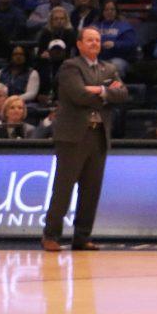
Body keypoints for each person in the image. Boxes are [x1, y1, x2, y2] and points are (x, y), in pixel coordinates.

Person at [42, 27, 129, 251]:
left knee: (91, 190)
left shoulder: (109, 67)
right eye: (90, 40)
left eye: (97, 40)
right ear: (79, 44)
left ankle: (82, 237)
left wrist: (98, 90)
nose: (94, 44)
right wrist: (106, 92)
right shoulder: (71, 66)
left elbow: (122, 94)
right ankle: (51, 234)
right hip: (72, 136)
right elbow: (78, 95)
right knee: (64, 188)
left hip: (98, 134)